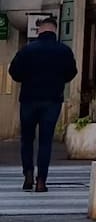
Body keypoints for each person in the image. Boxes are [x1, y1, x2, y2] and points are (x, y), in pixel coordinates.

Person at [8, 15, 78, 192]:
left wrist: (28, 78)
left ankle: (28, 174)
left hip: (29, 99)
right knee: (46, 141)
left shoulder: (27, 50)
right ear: (55, 30)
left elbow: (14, 72)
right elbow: (71, 73)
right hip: (52, 100)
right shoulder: (64, 50)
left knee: (27, 139)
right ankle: (41, 180)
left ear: (40, 30)